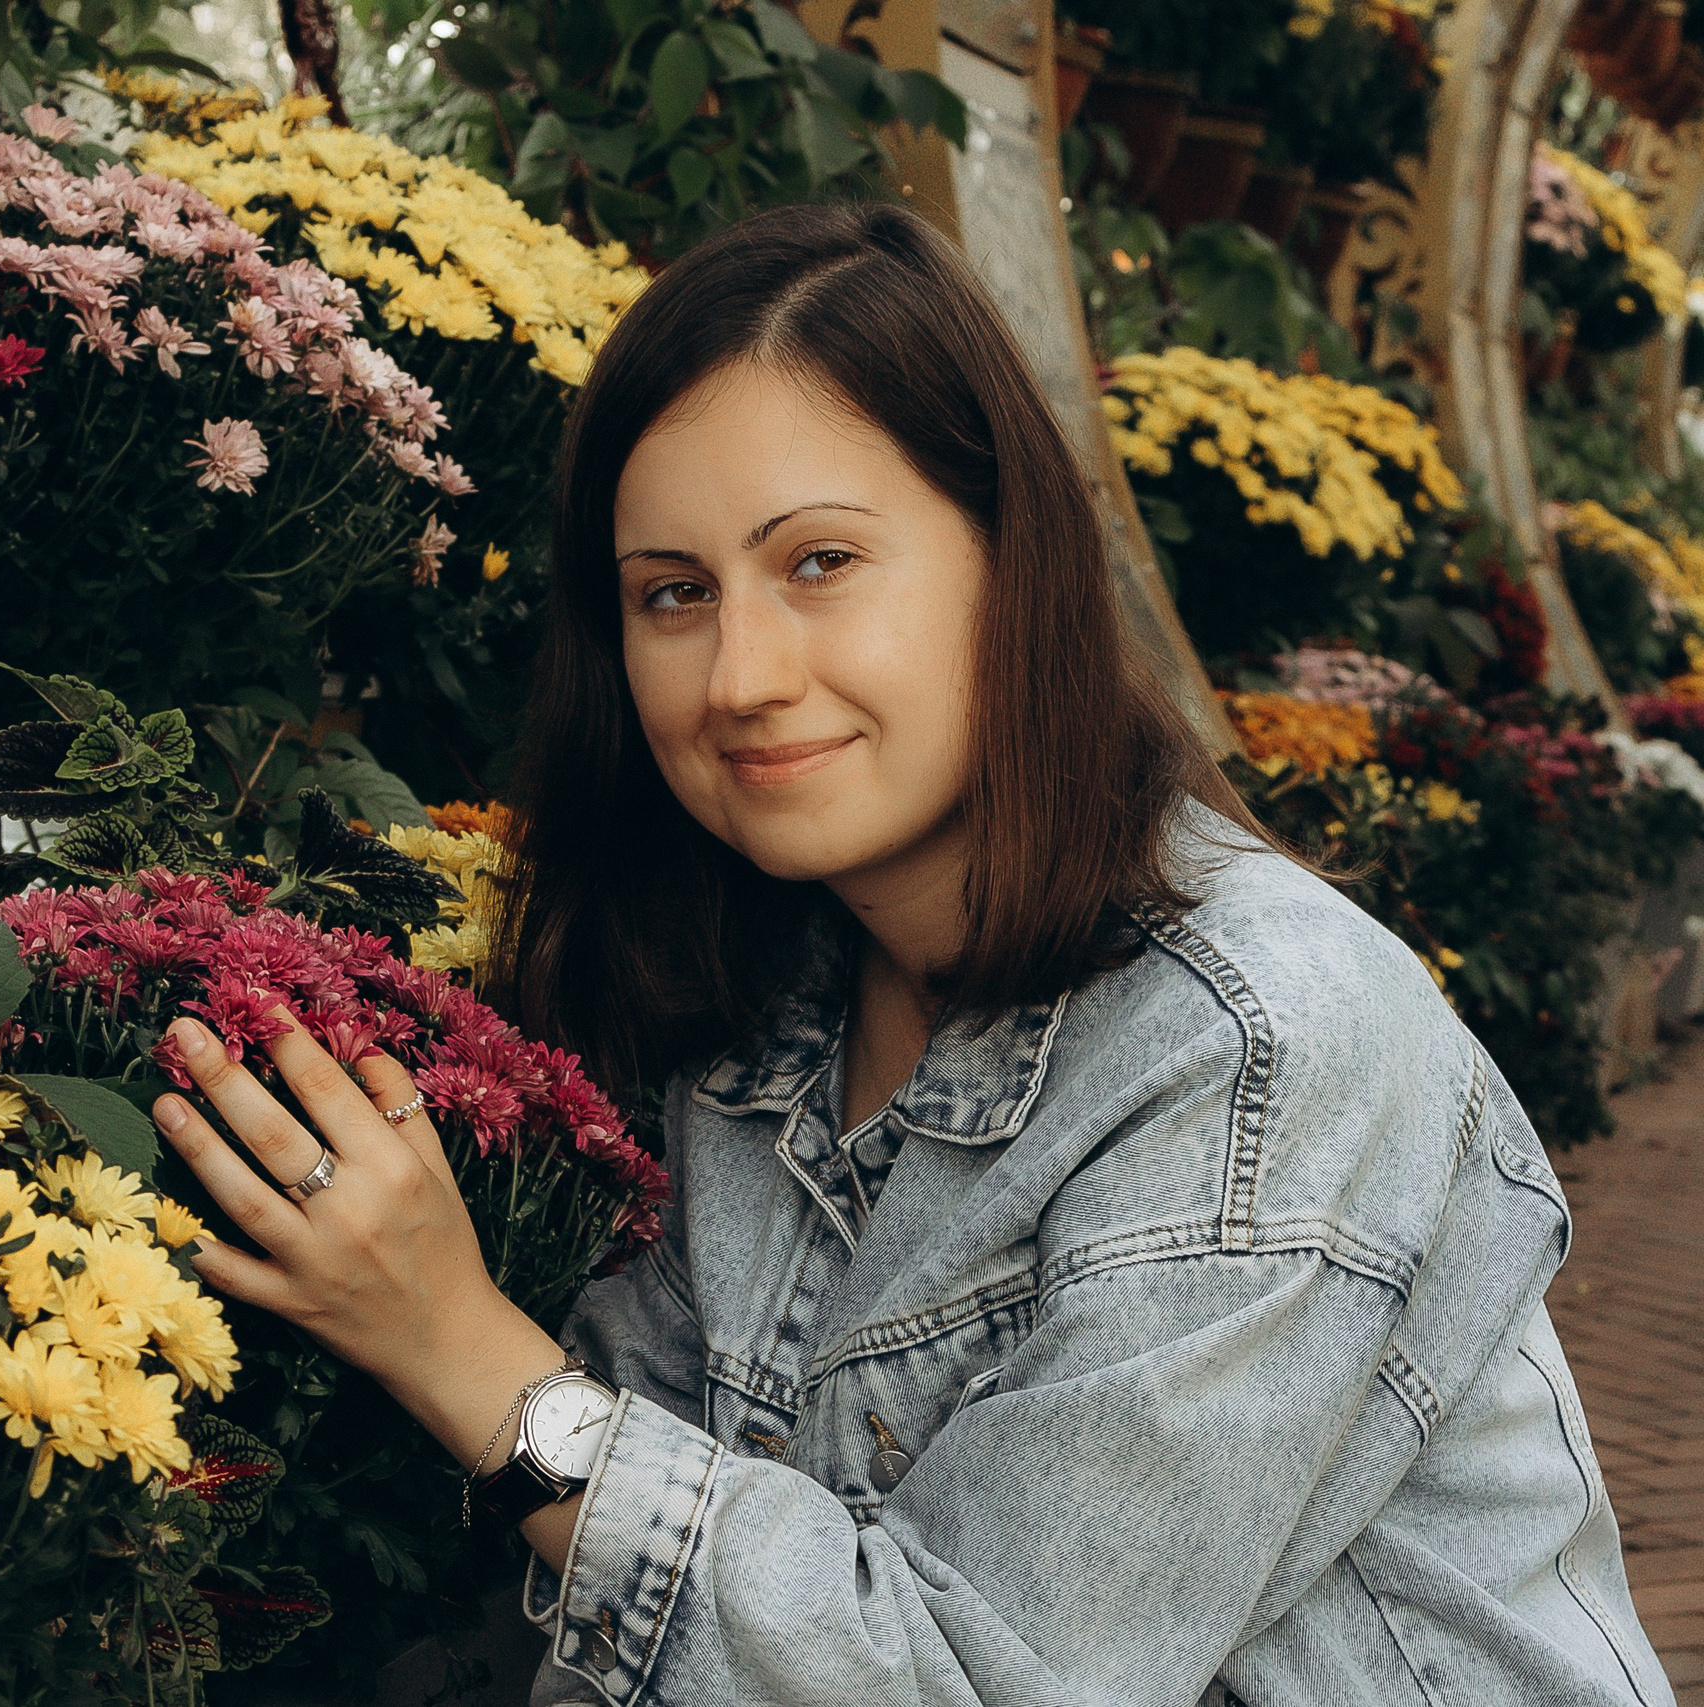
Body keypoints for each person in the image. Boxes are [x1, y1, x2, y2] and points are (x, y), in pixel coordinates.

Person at [147, 202, 1671, 1707]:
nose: (741, 676)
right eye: (674, 595)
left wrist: (459, 1350)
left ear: (1014, 560)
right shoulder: (759, 990)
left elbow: (986, 1680)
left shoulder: (1264, 1043)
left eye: (818, 563)